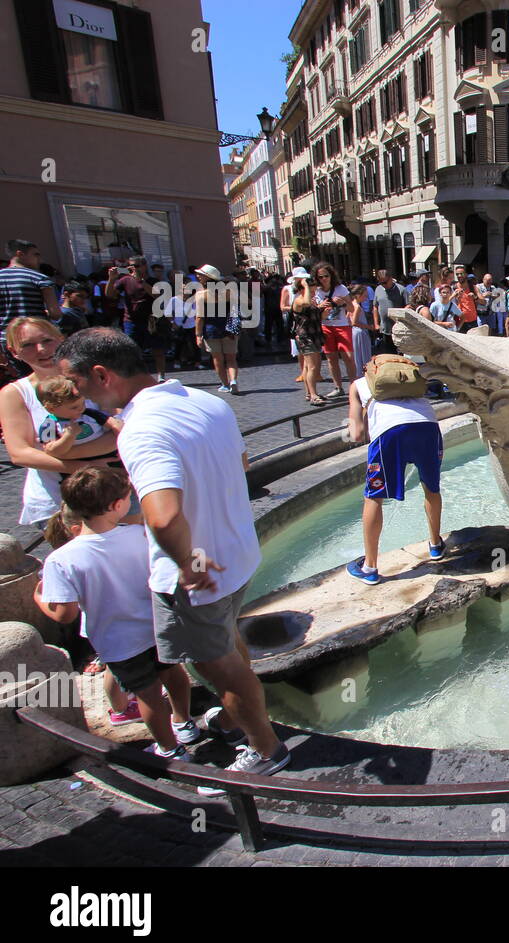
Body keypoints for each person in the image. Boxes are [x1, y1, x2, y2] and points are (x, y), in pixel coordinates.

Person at [55, 328, 290, 785]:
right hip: (237, 556)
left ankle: (267, 750)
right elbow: (240, 464)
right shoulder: (207, 401)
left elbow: (163, 518)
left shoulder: (140, 430)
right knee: (227, 647)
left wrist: (189, 564)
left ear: (101, 374)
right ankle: (234, 719)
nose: (74, 393)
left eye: (75, 382)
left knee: (219, 668)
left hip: (201, 575)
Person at [34, 466, 200, 759]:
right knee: (174, 675)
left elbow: (65, 615)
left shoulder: (61, 559)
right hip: (158, 624)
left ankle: (170, 749)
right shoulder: (140, 534)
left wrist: (39, 599)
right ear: (117, 505)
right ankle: (184, 723)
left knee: (148, 695)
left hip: (118, 641)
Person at [1, 318, 119, 529]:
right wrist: (84, 466)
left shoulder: (92, 378)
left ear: (61, 339)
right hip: (56, 499)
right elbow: (20, 453)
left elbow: (120, 428)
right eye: (28, 345)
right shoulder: (15, 394)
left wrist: (62, 451)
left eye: (47, 340)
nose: (41, 349)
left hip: (113, 491)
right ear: (13, 351)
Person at [343, 353, 447, 587]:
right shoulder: (411, 382)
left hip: (390, 434)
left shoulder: (358, 385)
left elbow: (357, 433)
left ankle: (369, 567)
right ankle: (435, 546)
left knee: (374, 497)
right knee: (431, 488)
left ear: (368, 369)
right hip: (427, 427)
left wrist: (362, 417)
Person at [34, 375, 122, 477]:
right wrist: (69, 436)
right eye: (74, 407)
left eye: (83, 403)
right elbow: (52, 451)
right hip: (79, 469)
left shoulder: (88, 413)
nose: (81, 408)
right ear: (51, 408)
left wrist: (120, 441)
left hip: (110, 459)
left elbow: (114, 424)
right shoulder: (49, 425)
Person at [1, 240, 60, 375]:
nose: (39, 259)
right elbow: (55, 313)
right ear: (20, 254)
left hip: (9, 340)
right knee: (49, 376)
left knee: (25, 379)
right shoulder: (39, 278)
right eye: (36, 254)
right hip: (38, 338)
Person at [108, 257, 170, 379]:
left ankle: (161, 376)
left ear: (144, 266)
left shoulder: (153, 281)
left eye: (136, 266)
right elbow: (110, 295)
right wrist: (111, 279)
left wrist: (141, 281)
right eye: (130, 266)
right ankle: (138, 376)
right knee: (133, 350)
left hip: (152, 320)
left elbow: (156, 295)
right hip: (131, 321)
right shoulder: (125, 280)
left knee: (158, 349)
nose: (132, 269)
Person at [193, 264, 240, 394]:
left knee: (217, 359)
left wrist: (198, 335)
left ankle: (225, 384)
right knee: (231, 358)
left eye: (200, 274)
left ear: (207, 277)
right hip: (229, 329)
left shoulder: (201, 295)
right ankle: (233, 381)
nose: (198, 276)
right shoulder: (228, 292)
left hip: (211, 330)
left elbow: (199, 317)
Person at [313, 262, 358, 394]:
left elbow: (352, 308)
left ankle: (353, 386)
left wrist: (344, 302)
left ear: (331, 275)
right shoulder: (316, 291)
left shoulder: (341, 289)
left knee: (348, 357)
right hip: (326, 326)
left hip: (342, 326)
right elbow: (313, 313)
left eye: (326, 276)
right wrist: (320, 307)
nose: (324, 279)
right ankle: (338, 387)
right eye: (320, 277)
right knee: (331, 358)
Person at [288, 272, 327, 405]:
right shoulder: (299, 300)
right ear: (301, 289)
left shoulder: (311, 301)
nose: (314, 292)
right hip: (305, 336)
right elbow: (305, 302)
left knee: (308, 366)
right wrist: (304, 284)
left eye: (314, 289)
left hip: (314, 334)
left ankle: (309, 392)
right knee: (312, 367)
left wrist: (324, 310)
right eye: (311, 290)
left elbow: (317, 318)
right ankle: (313, 395)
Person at [372, 269, 406, 353]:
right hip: (384, 329)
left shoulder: (401, 290)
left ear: (391, 279)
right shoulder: (378, 289)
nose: (383, 285)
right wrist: (376, 324)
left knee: (400, 356)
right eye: (381, 283)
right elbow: (375, 307)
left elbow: (408, 305)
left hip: (399, 330)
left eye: (385, 282)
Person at [348, 281, 375, 369]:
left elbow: (348, 318)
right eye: (364, 296)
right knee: (362, 354)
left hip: (353, 332)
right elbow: (354, 322)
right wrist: (369, 327)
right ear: (358, 295)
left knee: (356, 353)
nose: (366, 298)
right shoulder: (358, 307)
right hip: (359, 332)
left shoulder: (351, 305)